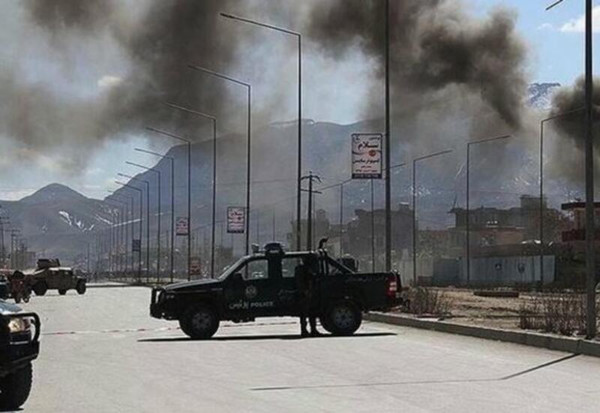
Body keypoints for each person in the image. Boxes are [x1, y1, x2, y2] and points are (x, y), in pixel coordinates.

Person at [295, 259, 320, 337]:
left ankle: (312, 330)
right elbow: (301, 281)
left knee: (311, 313)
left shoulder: (303, 269)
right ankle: (305, 330)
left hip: (309, 293)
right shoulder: (302, 269)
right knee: (305, 313)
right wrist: (305, 291)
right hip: (305, 294)